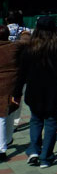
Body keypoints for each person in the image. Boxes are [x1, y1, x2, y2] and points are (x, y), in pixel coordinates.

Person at [13, 16, 57, 168]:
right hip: (54, 91)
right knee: (51, 122)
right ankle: (46, 157)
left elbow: (21, 73)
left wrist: (17, 93)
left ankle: (34, 150)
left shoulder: (30, 46)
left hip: (34, 90)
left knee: (35, 120)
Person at [0, 25, 20, 161]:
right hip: (13, 84)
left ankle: (2, 148)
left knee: (1, 116)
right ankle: (8, 139)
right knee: (11, 111)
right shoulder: (15, 47)